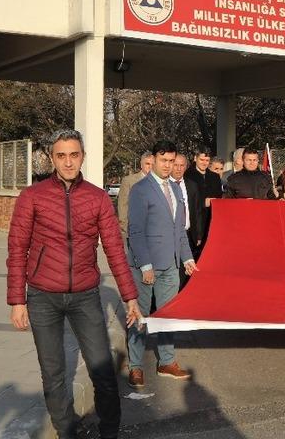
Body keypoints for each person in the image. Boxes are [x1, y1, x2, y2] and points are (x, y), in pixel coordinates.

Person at [7, 129, 142, 439]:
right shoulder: (33, 196)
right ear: (53, 158)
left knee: (102, 370)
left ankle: (110, 430)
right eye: (61, 155)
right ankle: (67, 430)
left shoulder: (96, 197)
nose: (68, 162)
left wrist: (129, 297)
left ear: (83, 156)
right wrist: (18, 300)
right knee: (53, 374)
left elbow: (114, 250)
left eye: (74, 154)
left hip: (85, 296)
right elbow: (17, 248)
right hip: (43, 297)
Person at [127, 140, 197, 388]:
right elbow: (135, 231)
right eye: (164, 160)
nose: (168, 165)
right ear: (154, 160)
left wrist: (187, 258)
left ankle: (166, 361)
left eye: (171, 161)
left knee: (168, 315)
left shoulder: (177, 189)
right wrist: (145, 265)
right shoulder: (140, 189)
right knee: (140, 316)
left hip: (171, 265)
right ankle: (135, 366)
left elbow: (179, 230)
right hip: (146, 267)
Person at [170, 154, 203, 288]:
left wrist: (199, 234)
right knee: (172, 272)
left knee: (186, 273)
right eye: (175, 165)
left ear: (186, 167)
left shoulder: (192, 185)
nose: (178, 169)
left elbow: (197, 211)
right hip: (170, 237)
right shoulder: (165, 186)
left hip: (188, 235)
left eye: (181, 165)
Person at [184, 147, 222, 256]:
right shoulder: (188, 175)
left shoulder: (215, 177)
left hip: (211, 219)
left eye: (207, 160)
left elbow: (219, 196)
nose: (204, 163)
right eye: (202, 160)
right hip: (194, 220)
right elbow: (187, 197)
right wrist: (202, 202)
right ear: (195, 159)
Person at [117, 151, 153, 237]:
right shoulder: (129, 181)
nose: (150, 167)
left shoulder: (160, 182)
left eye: (153, 164)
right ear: (141, 165)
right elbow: (123, 205)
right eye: (147, 164)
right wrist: (126, 228)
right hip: (135, 231)